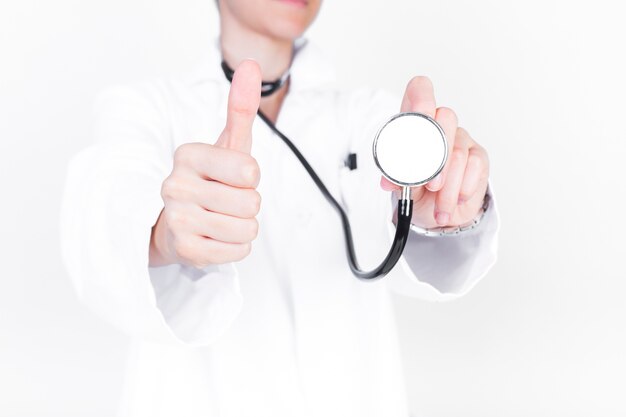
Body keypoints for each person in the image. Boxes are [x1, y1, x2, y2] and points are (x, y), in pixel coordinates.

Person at [60, 0, 500, 416]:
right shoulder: (147, 108)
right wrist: (161, 234)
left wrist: (446, 207)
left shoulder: (372, 116)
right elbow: (104, 207)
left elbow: (416, 249)